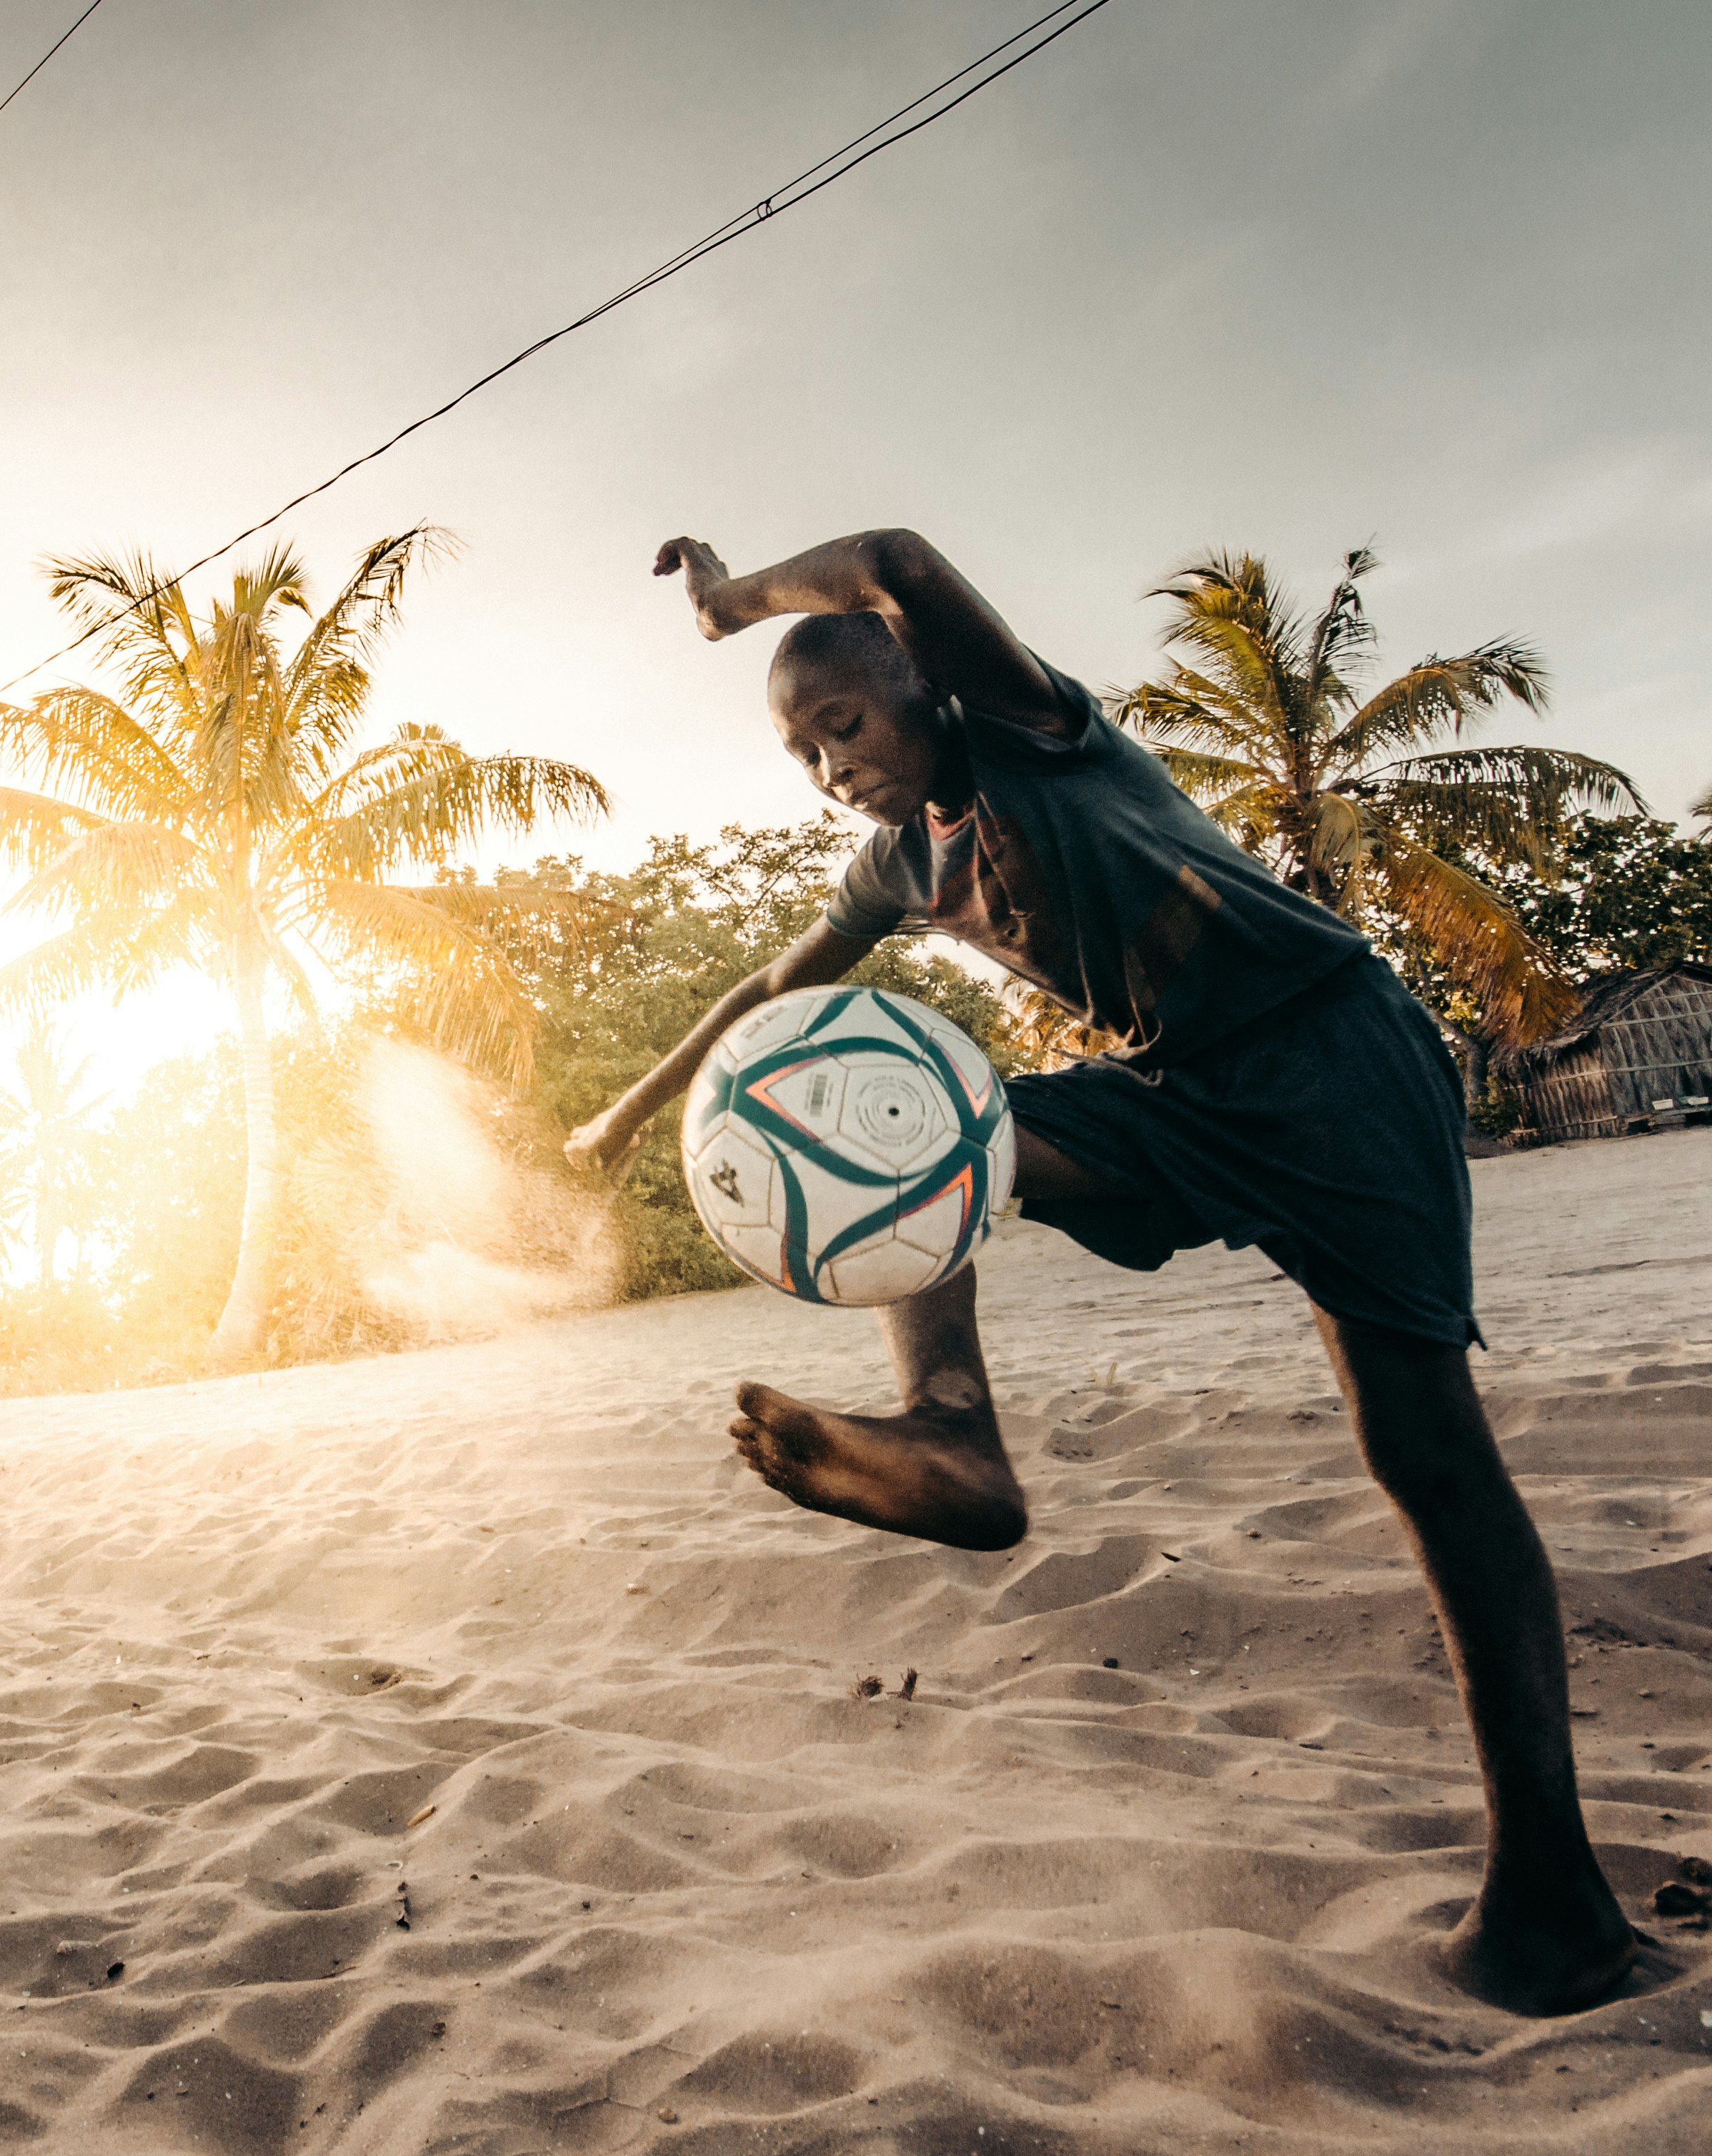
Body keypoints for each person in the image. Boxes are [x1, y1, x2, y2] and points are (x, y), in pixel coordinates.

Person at [565, 527, 1637, 2015]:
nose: (829, 764)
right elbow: (771, 992)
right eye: (798, 750)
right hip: (1181, 1091)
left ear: (920, 685)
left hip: (1331, 1055)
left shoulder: (1029, 730)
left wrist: (731, 606)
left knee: (1423, 1452)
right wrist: (626, 1114)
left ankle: (1554, 1894)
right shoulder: (895, 861)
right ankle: (953, 1429)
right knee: (924, 1120)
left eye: (844, 720)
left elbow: (890, 558)